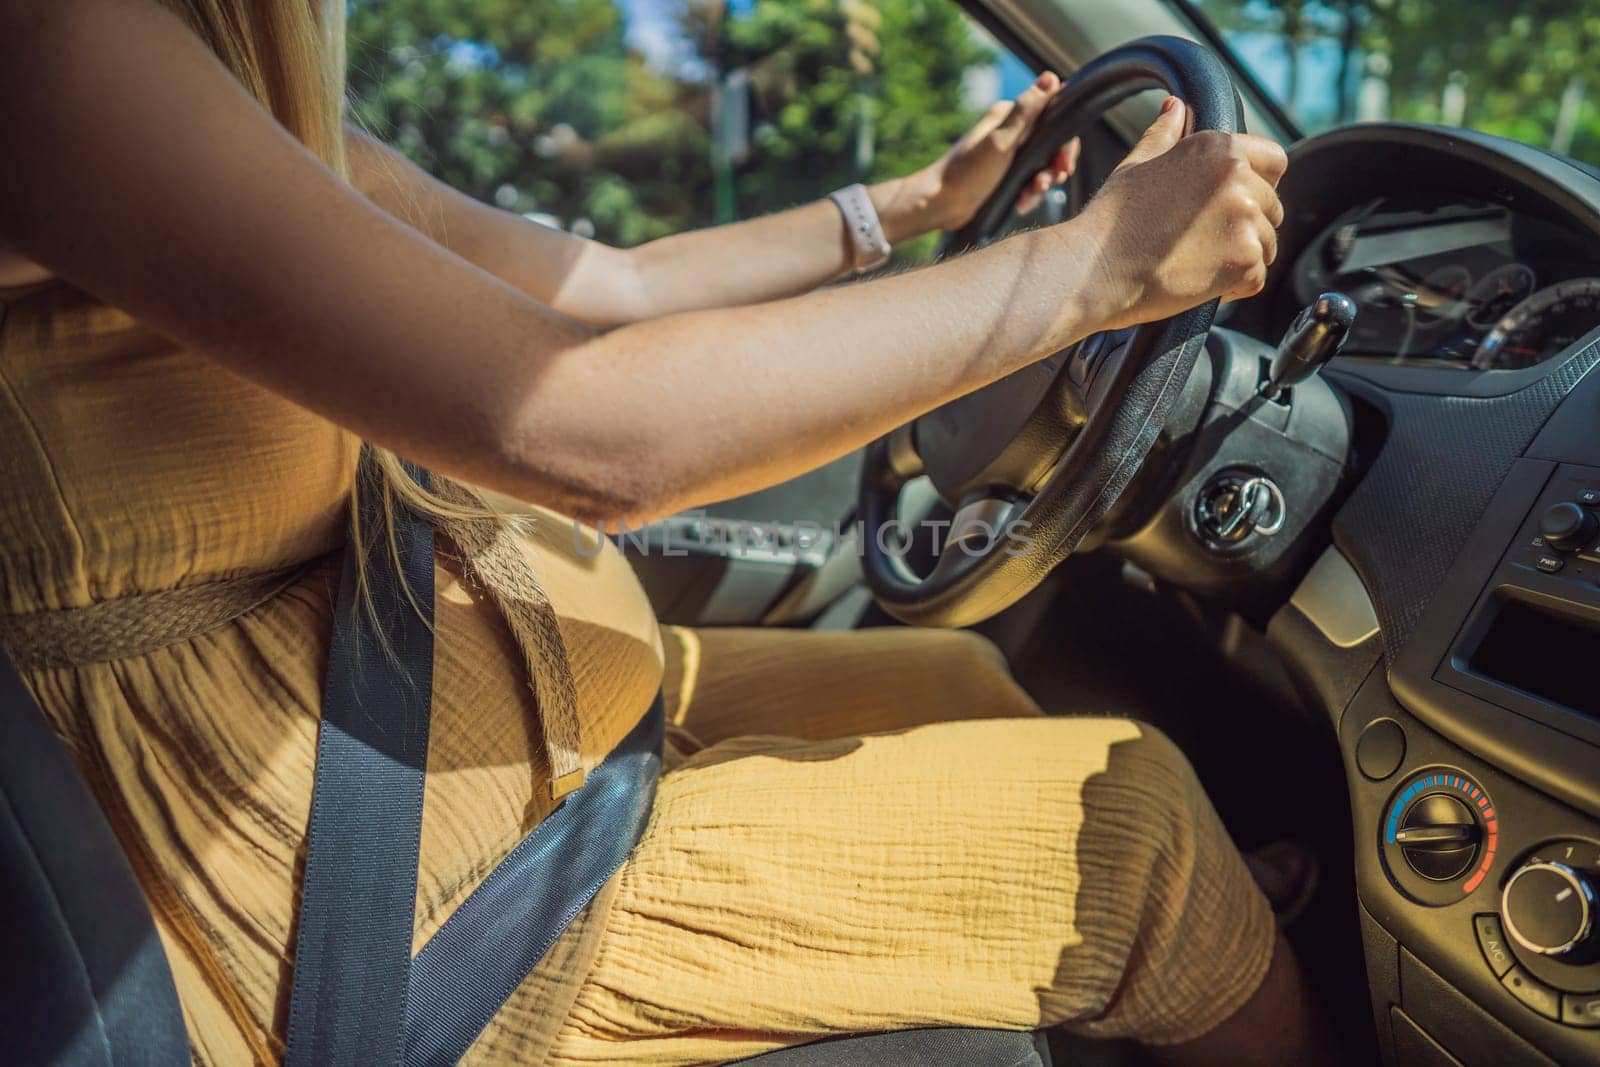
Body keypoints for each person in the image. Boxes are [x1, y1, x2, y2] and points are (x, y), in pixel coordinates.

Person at [0, 2, 1324, 1064]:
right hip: (363, 912)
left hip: (465, 719)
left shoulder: (218, 51)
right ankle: (1226, 958)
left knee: (959, 681)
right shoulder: (52, 44)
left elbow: (608, 288)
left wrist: (921, 203)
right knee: (1136, 823)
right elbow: (589, 434)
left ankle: (1207, 968)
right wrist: (1092, 268)